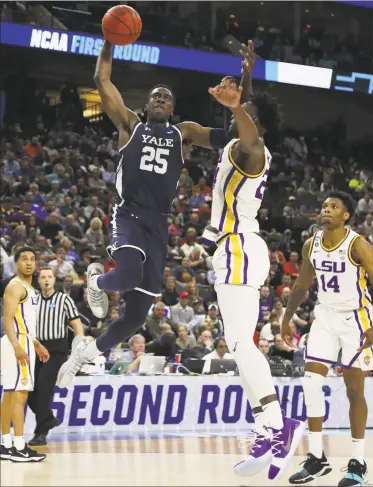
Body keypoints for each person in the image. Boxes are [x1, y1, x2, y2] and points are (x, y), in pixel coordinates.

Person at [57, 40, 256, 388]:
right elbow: (102, 80)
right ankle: (95, 282)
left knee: (134, 317)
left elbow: (236, 135)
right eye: (156, 97)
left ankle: (85, 353)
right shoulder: (129, 125)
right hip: (129, 213)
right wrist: (108, 40)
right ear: (146, 105)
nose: (162, 100)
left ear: (173, 107)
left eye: (167, 98)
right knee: (129, 271)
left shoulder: (185, 134)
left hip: (159, 224)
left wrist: (244, 84)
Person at [200, 77, 304, 480]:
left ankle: (279, 425)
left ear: (254, 124)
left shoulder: (255, 151)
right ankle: (266, 425)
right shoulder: (234, 143)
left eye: (246, 114)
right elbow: (205, 130)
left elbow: (248, 134)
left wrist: (237, 106)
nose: (237, 116)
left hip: (239, 245)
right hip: (234, 250)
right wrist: (243, 83)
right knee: (241, 344)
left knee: (242, 342)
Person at [282, 192, 373, 486]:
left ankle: (358, 461)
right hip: (325, 317)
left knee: (354, 390)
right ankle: (316, 458)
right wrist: (286, 317)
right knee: (311, 382)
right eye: (324, 206)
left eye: (334, 207)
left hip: (355, 319)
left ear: (346, 216)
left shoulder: (359, 245)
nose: (326, 210)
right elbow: (302, 283)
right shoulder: (311, 244)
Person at [0, 247, 49, 462]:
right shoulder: (15, 286)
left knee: (11, 394)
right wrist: (17, 345)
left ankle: (5, 443)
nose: (29, 263)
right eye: (24, 259)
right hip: (16, 341)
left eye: (32, 259)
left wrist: (36, 343)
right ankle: (19, 447)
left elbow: (25, 321)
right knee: (20, 394)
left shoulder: (30, 290)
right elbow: (8, 319)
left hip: (24, 340)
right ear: (16, 264)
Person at [27, 267, 84, 446]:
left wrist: (78, 346)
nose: (46, 280)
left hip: (56, 350)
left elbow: (77, 324)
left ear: (54, 280)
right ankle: (49, 419)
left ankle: (40, 433)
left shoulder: (64, 299)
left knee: (44, 389)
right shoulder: (32, 300)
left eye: (49, 277)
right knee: (30, 393)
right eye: (43, 277)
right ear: (38, 281)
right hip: (35, 349)